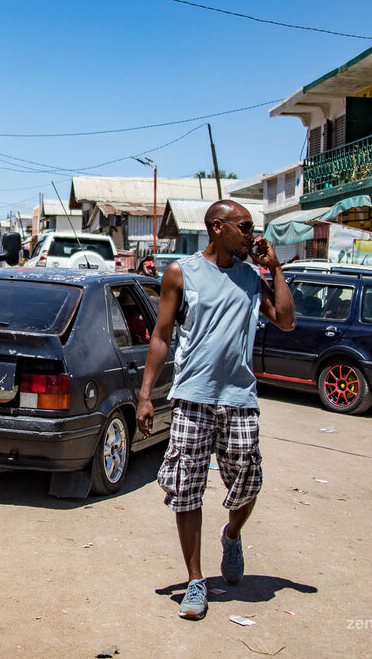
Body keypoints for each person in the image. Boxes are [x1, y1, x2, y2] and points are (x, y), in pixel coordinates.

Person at [135, 200, 294, 621]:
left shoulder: (251, 279)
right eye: (246, 227)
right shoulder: (180, 273)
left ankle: (232, 534)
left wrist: (275, 268)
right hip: (193, 397)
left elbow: (286, 320)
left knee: (247, 481)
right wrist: (146, 394)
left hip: (239, 398)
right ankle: (195, 581)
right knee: (187, 487)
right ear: (218, 227)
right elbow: (162, 335)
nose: (253, 234)